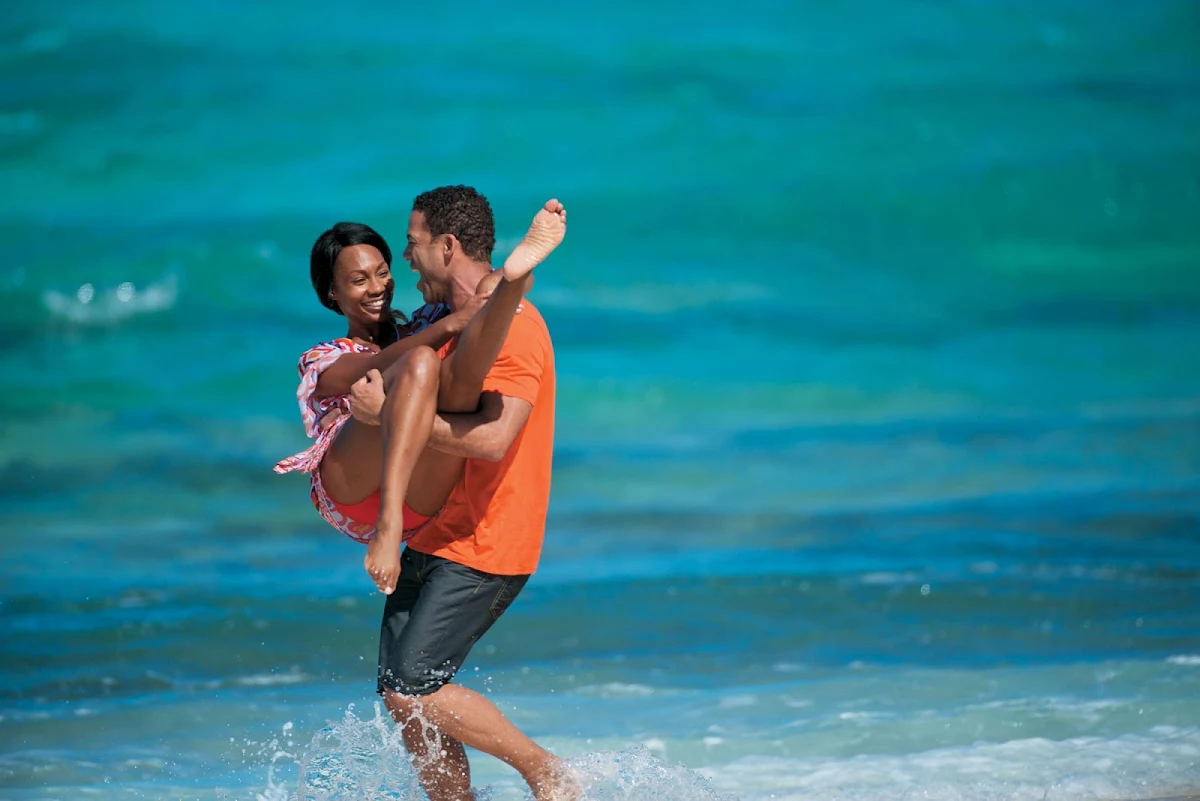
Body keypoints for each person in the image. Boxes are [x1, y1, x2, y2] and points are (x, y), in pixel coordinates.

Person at [347, 185, 577, 800]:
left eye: (414, 244)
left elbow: (496, 438)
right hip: (436, 531)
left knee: (411, 685)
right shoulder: (443, 324)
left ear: (447, 247)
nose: (406, 258)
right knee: (405, 699)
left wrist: (388, 414)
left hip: (487, 539)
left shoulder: (518, 327)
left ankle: (544, 770)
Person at [274, 198, 566, 599]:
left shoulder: (423, 324)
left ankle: (518, 269)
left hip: (419, 500)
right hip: (350, 492)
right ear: (332, 293)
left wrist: (510, 277)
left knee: (457, 375)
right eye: (359, 281)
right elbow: (369, 368)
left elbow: (487, 304)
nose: (378, 287)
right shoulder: (322, 357)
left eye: (382, 273)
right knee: (421, 362)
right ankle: (387, 528)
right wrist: (452, 323)